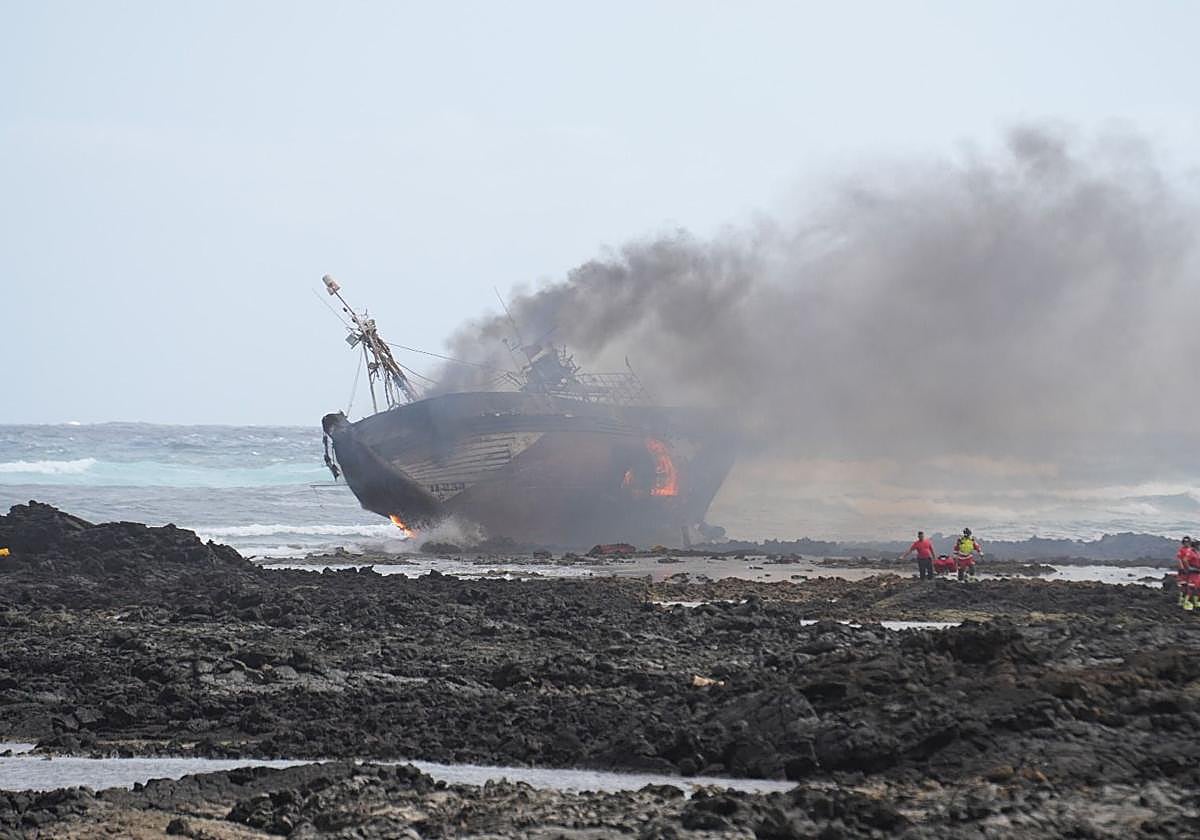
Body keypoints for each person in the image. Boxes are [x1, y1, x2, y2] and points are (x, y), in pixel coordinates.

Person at [1176, 537, 1193, 609]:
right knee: (1183, 585)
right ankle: (1181, 601)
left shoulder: (1192, 550)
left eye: (1188, 542)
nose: (1187, 544)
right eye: (1185, 542)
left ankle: (1187, 600)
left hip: (1191, 570)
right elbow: (1179, 559)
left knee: (1190, 586)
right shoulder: (1181, 550)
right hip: (1183, 570)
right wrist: (1182, 568)